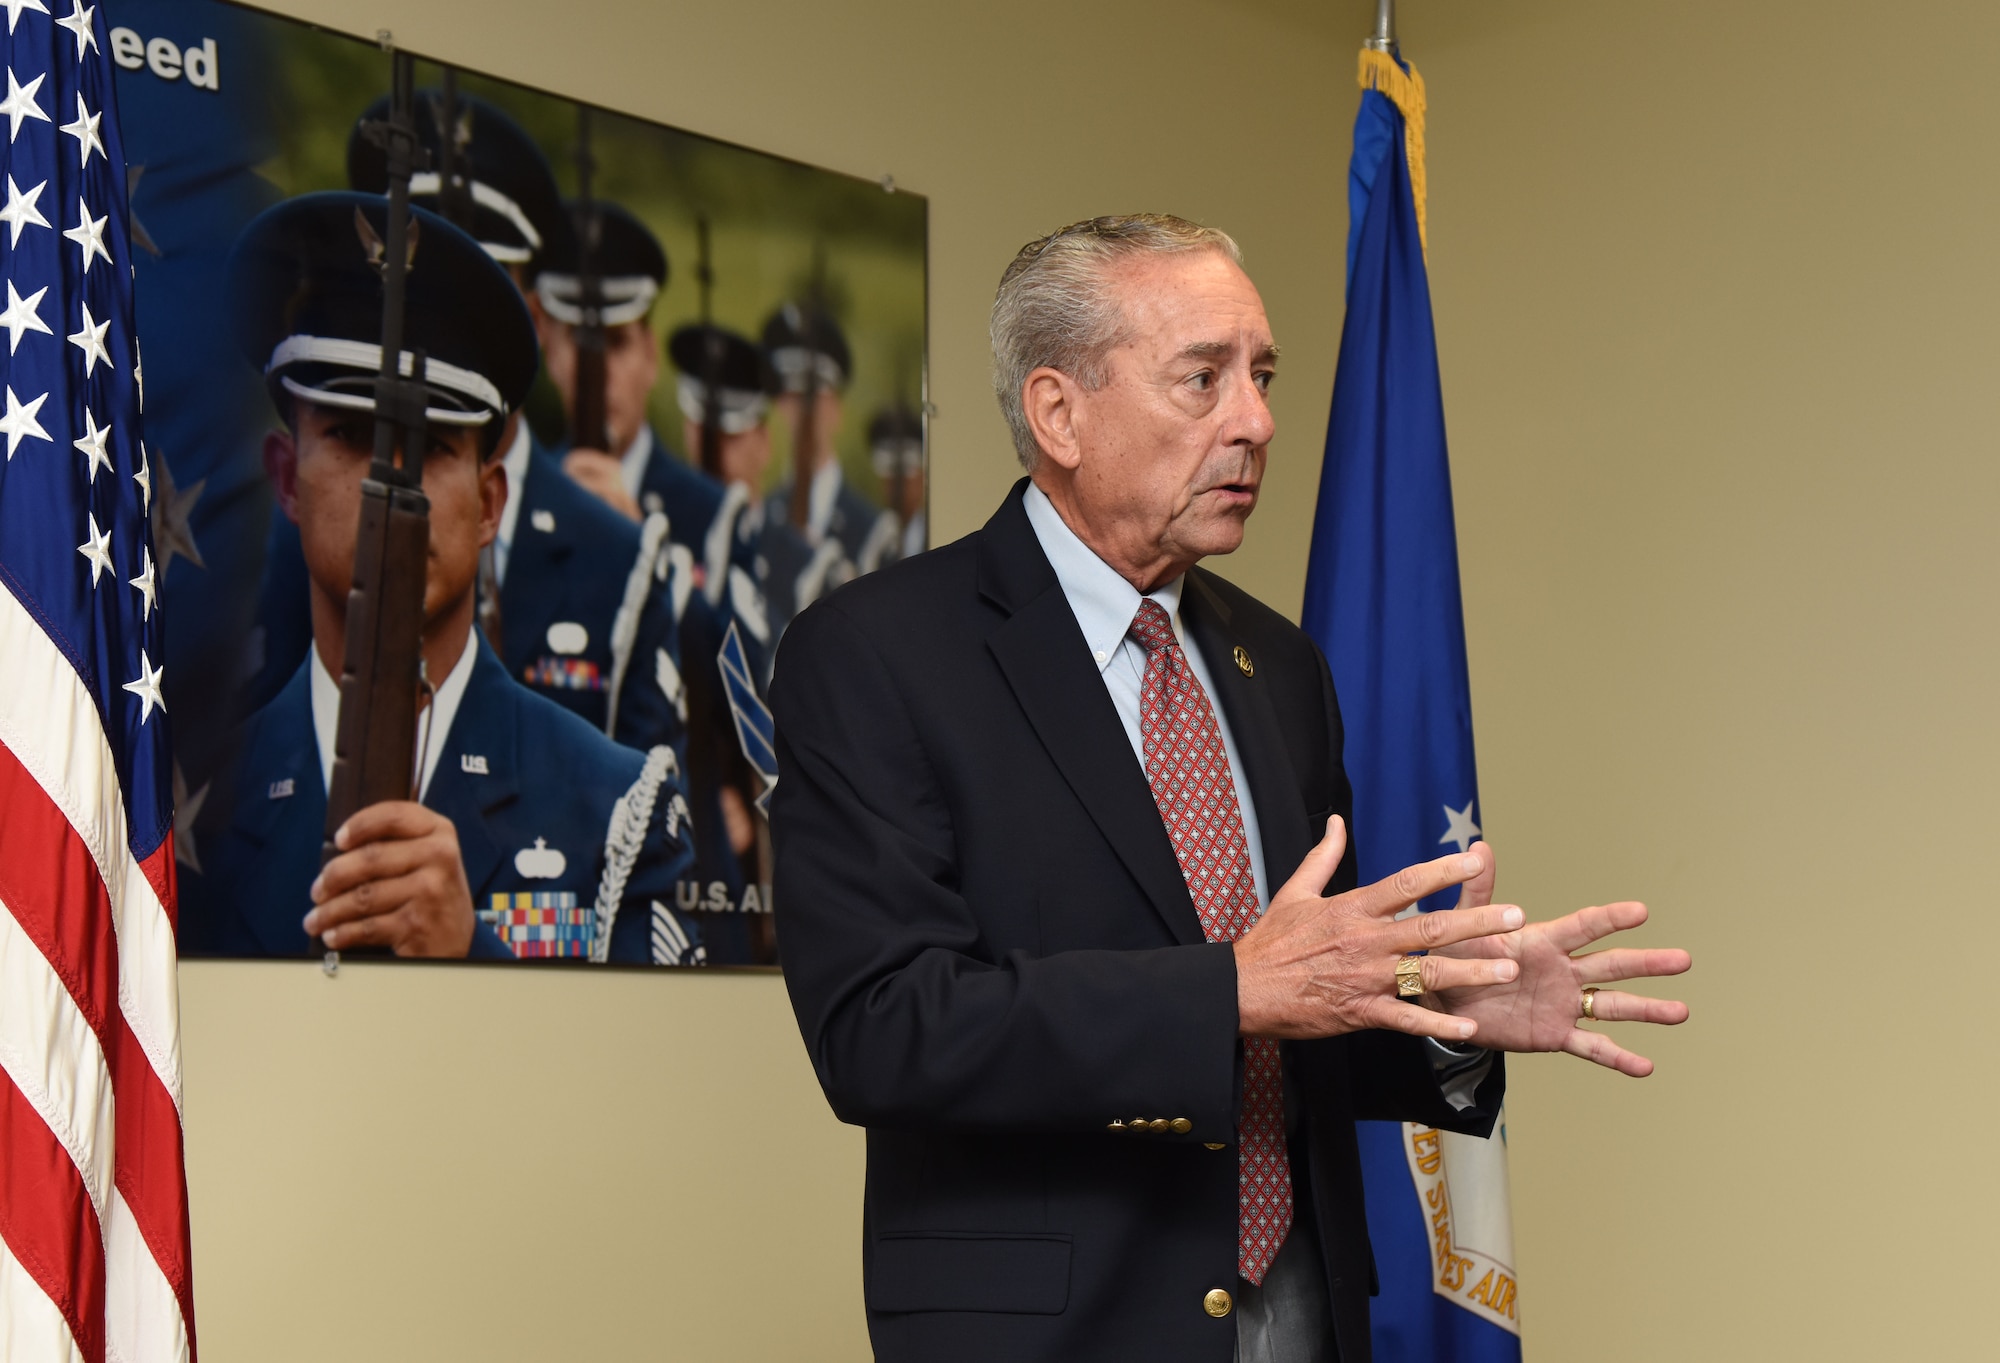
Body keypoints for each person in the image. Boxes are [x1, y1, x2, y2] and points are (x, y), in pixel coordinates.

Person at [768, 215, 1691, 1361]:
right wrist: (1224, 990)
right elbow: (880, 1029)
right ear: (1057, 413)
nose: (1253, 422)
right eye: (1200, 379)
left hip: (1303, 1311)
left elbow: (1309, 1006)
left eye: (1259, 377)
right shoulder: (877, 653)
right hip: (1060, 1331)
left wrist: (1447, 1017)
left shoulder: (1280, 665)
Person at [182, 191, 705, 966]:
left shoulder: (615, 808)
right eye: (354, 435)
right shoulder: (194, 807)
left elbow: (662, 1080)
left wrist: (472, 955)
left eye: (431, 445)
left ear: (490, 502)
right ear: (288, 479)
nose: (393, 487)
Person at [761, 302, 897, 573]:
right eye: (794, 398)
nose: (804, 414)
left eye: (815, 398)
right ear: (780, 406)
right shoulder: (764, 518)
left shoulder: (874, 533)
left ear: (837, 408)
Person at [863, 402, 926, 569]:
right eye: (887, 469)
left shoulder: (934, 534)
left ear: (923, 474)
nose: (897, 482)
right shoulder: (873, 541)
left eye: (907, 469)